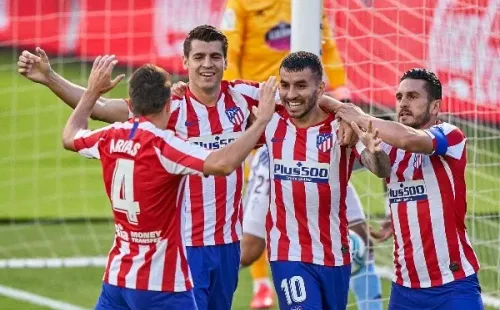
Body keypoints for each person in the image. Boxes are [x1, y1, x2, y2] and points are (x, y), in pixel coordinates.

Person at [17, 25, 353, 310]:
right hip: (182, 249)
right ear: (185, 62)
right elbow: (103, 108)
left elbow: (304, 96)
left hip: (226, 247)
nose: (207, 65)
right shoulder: (169, 105)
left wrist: (347, 111)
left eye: (214, 57)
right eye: (199, 57)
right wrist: (50, 78)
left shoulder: (243, 96)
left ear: (224, 61)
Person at [62, 55, 278, 309]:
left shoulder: (110, 137)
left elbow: (70, 136)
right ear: (168, 105)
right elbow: (222, 164)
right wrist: (262, 120)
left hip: (118, 279)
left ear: (133, 102)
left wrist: (92, 92)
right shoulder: (164, 146)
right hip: (163, 287)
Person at [220, 2, 353, 306]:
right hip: (265, 118)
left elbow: (327, 45)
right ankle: (261, 283)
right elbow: (230, 56)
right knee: (255, 226)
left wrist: (343, 95)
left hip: (317, 125)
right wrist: (248, 113)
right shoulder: (242, 4)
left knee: (347, 217)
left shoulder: (309, 6)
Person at [328, 68, 484, 310]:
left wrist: (356, 116)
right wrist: (342, 116)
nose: (403, 103)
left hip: (453, 285)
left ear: (435, 107)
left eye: (412, 96)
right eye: (399, 97)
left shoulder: (450, 135)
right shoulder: (390, 142)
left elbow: (410, 139)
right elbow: (380, 168)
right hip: (405, 289)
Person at [259, 51, 390, 310]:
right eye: (285, 85)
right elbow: (219, 88)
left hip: (333, 255)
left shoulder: (342, 127)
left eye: (301, 86)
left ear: (320, 88)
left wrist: (375, 151)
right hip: (288, 252)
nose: (291, 94)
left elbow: (381, 170)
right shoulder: (272, 116)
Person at [241, 145, 383, 310]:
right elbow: (250, 247)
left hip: (331, 176)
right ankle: (259, 284)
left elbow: (380, 167)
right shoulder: (270, 149)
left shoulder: (336, 130)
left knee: (363, 244)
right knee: (252, 247)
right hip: (293, 247)